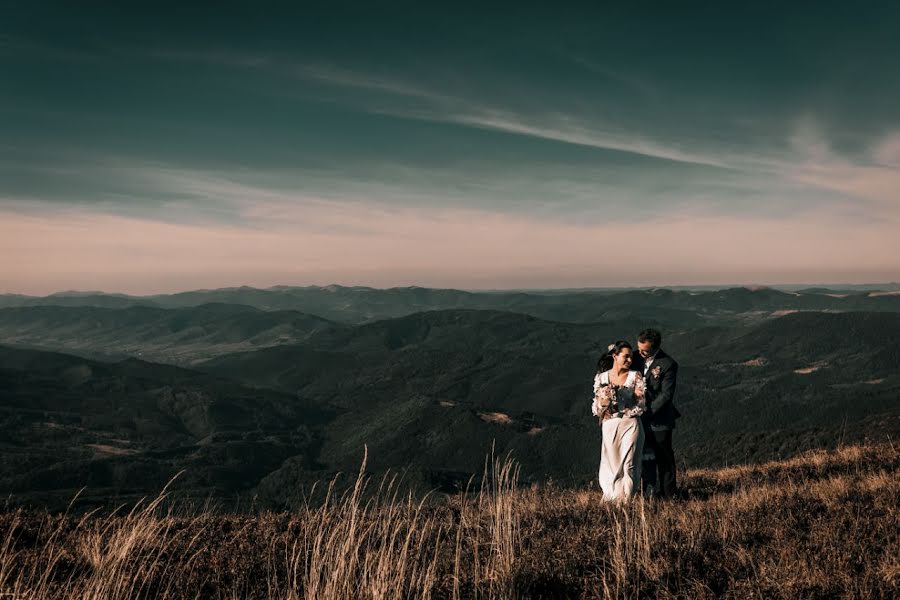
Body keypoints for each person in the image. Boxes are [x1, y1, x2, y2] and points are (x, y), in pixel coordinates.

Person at [591, 340, 647, 502]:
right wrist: (603, 404)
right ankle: (613, 497)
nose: (630, 360)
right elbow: (596, 407)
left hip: (630, 424)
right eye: (626, 356)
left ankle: (627, 500)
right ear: (615, 356)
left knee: (629, 463)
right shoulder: (602, 377)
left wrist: (626, 410)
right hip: (609, 425)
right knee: (611, 464)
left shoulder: (635, 376)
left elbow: (641, 404)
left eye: (631, 357)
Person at [632, 328, 680, 499]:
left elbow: (666, 395)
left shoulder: (668, 364)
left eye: (644, 350)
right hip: (637, 419)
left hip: (659, 419)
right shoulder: (634, 356)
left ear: (655, 348)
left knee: (664, 458)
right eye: (638, 348)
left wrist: (647, 411)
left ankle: (669, 494)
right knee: (643, 457)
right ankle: (648, 492)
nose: (640, 352)